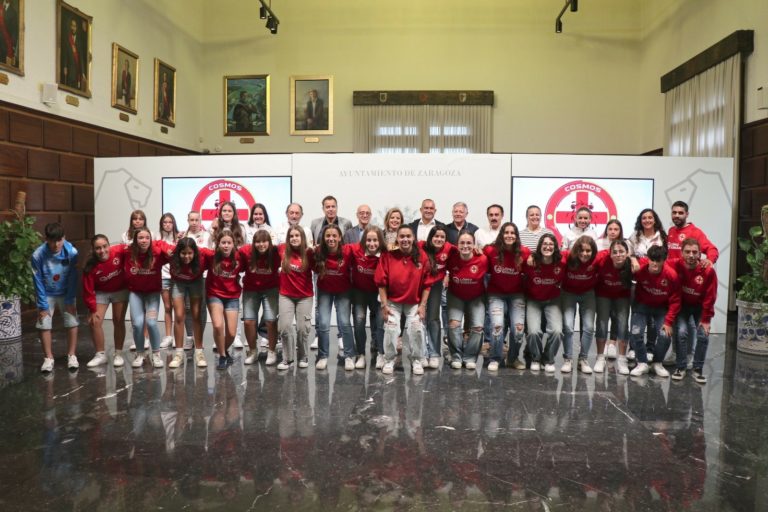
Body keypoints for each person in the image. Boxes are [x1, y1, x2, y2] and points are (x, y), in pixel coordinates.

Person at [375, 225, 432, 375]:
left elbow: (427, 284)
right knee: (391, 328)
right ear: (397, 238)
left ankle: (417, 359)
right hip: (393, 301)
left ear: (413, 238)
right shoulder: (388, 255)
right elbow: (381, 283)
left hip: (414, 303)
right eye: (402, 236)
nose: (405, 239)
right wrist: (384, 305)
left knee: (416, 328)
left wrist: (423, 306)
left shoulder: (422, 256)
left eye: (408, 236)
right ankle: (389, 359)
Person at [121, 227, 175, 369]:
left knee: (151, 323)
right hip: (136, 293)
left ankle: (156, 354)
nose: (144, 241)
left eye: (147, 238)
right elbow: (111, 252)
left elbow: (170, 252)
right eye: (140, 238)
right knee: (138, 324)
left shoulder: (157, 252)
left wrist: (167, 248)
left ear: (151, 240)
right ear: (135, 240)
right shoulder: (127, 252)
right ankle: (140, 354)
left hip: (152, 293)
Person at [32, 223, 80, 373]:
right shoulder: (37, 255)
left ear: (64, 238)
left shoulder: (71, 252)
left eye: (59, 240)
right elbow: (37, 279)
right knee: (44, 322)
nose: (56, 244)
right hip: (46, 293)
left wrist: (70, 299)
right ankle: (48, 358)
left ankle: (72, 355)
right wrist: (43, 305)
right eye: (52, 240)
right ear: (47, 239)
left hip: (66, 292)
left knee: (71, 320)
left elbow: (73, 276)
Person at [628, 245, 681, 377]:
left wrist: (668, 322)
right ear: (648, 259)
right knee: (636, 332)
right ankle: (642, 363)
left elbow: (675, 301)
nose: (655, 263)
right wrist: (633, 259)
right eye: (652, 260)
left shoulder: (671, 275)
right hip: (641, 306)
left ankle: (657, 362)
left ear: (664, 260)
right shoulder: (640, 270)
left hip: (661, 308)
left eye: (659, 260)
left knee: (665, 335)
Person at [669, 238, 717, 383]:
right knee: (682, 332)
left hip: (700, 307)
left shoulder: (707, 271)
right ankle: (681, 367)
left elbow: (711, 296)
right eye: (687, 252)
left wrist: (706, 319)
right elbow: (656, 264)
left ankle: (697, 369)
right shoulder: (675, 264)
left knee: (703, 335)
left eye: (694, 252)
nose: (691, 255)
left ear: (700, 254)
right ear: (681, 253)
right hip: (682, 306)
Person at [484, 222, 529, 370]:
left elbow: (537, 262)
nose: (509, 235)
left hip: (516, 294)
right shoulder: (490, 250)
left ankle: (513, 358)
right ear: (501, 235)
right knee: (497, 325)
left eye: (512, 233)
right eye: (506, 232)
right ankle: (495, 358)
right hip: (496, 294)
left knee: (518, 329)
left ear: (516, 236)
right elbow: (476, 259)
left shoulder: (524, 252)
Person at [561, 235, 605, 374]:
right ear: (576, 250)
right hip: (568, 292)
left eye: (588, 251)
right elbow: (556, 255)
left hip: (587, 293)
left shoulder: (597, 259)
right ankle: (568, 359)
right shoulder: (567, 256)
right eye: (582, 250)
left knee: (589, 327)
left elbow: (610, 252)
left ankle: (583, 359)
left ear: (593, 252)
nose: (585, 254)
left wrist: (632, 257)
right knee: (567, 326)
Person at [314, 224, 356, 370]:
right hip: (324, 290)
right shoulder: (318, 251)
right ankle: (323, 356)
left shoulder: (348, 250)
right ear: (323, 238)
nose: (331, 238)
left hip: (344, 291)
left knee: (344, 323)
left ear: (339, 237)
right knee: (324, 323)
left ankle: (349, 356)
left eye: (334, 236)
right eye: (328, 236)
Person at [81, 234, 127, 368]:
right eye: (98, 248)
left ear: (109, 245)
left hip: (120, 290)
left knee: (118, 320)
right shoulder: (90, 265)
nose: (102, 251)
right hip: (101, 292)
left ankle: (118, 353)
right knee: (94, 321)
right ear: (93, 250)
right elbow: (88, 289)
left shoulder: (119, 250)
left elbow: (135, 247)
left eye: (104, 246)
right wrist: (92, 309)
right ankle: (100, 355)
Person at [445, 231, 488, 370]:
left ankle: (470, 357)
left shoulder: (482, 259)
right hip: (456, 295)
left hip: (476, 297)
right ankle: (456, 356)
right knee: (453, 324)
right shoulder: (451, 258)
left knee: (477, 327)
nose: (465, 245)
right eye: (462, 243)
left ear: (474, 244)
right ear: (457, 245)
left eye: (469, 243)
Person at [523, 233, 565, 373]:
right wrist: (530, 256)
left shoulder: (562, 262)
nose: (547, 247)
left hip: (553, 300)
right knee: (533, 332)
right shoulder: (531, 262)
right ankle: (536, 358)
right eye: (545, 244)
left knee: (557, 331)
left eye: (551, 244)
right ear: (539, 247)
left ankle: (548, 359)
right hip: (534, 300)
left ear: (555, 247)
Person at [203, 231, 244, 370]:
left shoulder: (239, 257)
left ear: (234, 244)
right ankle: (222, 356)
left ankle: (224, 349)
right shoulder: (211, 256)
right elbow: (196, 250)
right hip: (214, 294)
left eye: (229, 243)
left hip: (232, 296)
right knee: (218, 325)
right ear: (218, 244)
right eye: (223, 243)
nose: (226, 246)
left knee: (232, 333)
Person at [239, 230, 281, 366]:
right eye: (258, 242)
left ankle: (272, 351)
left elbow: (288, 249)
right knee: (248, 321)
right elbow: (238, 265)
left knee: (271, 321)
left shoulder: (275, 252)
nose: (261, 244)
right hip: (251, 290)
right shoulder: (246, 252)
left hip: (271, 289)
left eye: (264, 241)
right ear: (253, 243)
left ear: (269, 242)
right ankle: (252, 351)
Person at [593, 240, 633, 375]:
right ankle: (600, 357)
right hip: (603, 295)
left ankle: (622, 359)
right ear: (610, 254)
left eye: (621, 252)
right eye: (614, 252)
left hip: (622, 296)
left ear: (627, 253)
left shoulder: (631, 263)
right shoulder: (602, 261)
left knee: (622, 324)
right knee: (602, 324)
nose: (618, 255)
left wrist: (635, 260)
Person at [168, 237, 208, 368]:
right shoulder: (171, 256)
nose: (186, 256)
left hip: (196, 282)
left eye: (190, 253)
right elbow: (158, 245)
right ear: (178, 252)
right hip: (178, 283)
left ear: (195, 253)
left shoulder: (202, 256)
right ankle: (179, 354)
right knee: (179, 316)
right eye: (183, 253)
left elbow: (217, 253)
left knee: (196, 315)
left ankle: (199, 352)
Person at [277, 226, 314, 369]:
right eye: (291, 236)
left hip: (304, 296)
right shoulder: (281, 249)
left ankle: (303, 356)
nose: (294, 238)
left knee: (302, 328)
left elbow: (319, 267)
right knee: (285, 327)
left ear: (302, 237)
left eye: (297, 235)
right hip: (286, 295)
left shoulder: (309, 253)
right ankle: (287, 359)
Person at [350, 226, 385, 369]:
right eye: (369, 240)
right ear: (364, 241)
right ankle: (361, 355)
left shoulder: (385, 253)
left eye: (375, 240)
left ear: (380, 241)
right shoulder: (355, 250)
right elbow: (337, 247)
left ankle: (381, 354)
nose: (372, 244)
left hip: (378, 293)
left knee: (381, 322)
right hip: (359, 292)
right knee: (359, 321)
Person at [421, 225, 452, 369]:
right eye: (436, 236)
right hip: (419, 286)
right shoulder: (421, 246)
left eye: (442, 237)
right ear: (430, 237)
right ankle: (421, 353)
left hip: (436, 286)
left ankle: (433, 354)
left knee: (433, 318)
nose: (439, 239)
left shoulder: (449, 248)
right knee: (419, 319)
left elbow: (466, 252)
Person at [667, 201, 719, 266]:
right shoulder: (671, 230)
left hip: (687, 274)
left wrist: (710, 260)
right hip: (671, 273)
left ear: (687, 214)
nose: (677, 215)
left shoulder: (695, 232)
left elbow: (712, 249)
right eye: (674, 213)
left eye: (680, 213)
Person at [155, 213, 178, 349]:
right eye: (165, 222)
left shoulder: (180, 236)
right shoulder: (157, 237)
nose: (167, 224)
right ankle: (168, 336)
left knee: (178, 308)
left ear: (173, 223)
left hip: (176, 277)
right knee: (168, 307)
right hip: (163, 276)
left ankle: (177, 336)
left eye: (170, 222)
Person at [61, 17, 86, 91]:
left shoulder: (79, 40)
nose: (73, 28)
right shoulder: (67, 38)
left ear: (77, 27)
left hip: (77, 69)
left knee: (76, 88)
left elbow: (81, 57)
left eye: (74, 26)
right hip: (69, 67)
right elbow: (65, 53)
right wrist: (65, 66)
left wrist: (83, 72)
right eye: (72, 25)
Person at [0, 0, 19, 69]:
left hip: (6, 43)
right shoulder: (0, 7)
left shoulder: (13, 13)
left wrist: (13, 46)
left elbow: (14, 31)